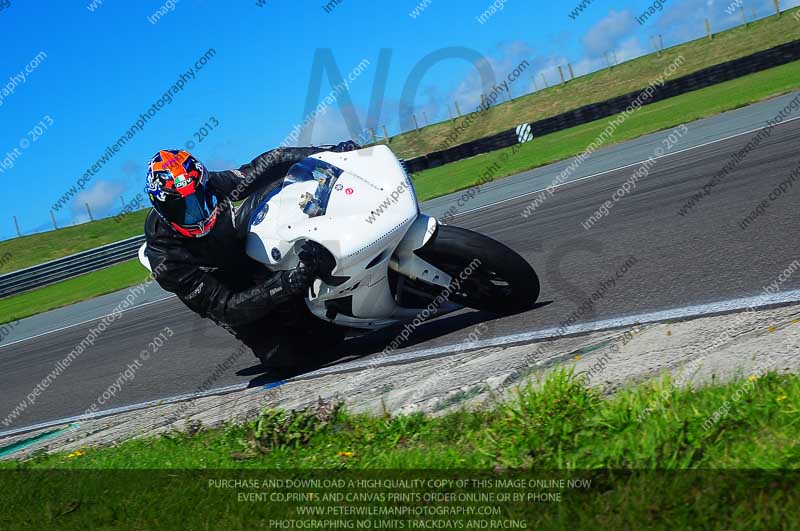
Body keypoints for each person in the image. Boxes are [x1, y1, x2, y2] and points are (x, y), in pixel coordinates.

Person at [143, 141, 359, 373]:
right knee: (292, 358)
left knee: (283, 184)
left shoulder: (210, 184)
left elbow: (266, 164)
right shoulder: (165, 260)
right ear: (161, 207)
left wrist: (329, 153)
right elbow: (226, 308)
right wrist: (286, 284)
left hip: (241, 248)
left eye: (199, 199)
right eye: (182, 208)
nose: (195, 212)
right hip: (231, 294)